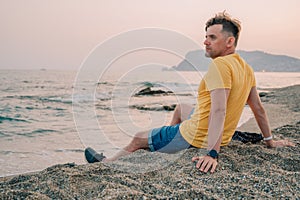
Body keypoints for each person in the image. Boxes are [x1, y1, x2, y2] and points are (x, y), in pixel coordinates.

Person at [85, 12, 295, 173]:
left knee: (138, 138)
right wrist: (270, 142)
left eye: (212, 37)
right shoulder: (246, 68)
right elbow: (258, 108)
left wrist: (212, 153)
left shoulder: (220, 66)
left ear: (229, 42)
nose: (205, 41)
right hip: (213, 131)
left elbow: (219, 110)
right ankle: (164, 142)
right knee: (181, 108)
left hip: (197, 136)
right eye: (205, 37)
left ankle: (107, 163)